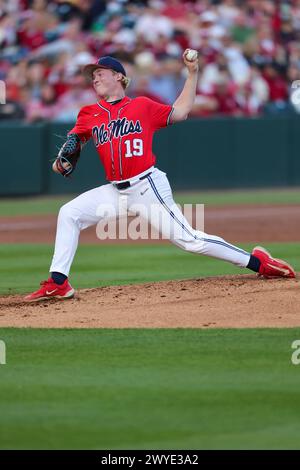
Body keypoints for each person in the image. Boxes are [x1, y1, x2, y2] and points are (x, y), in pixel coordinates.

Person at [25, 53, 295, 301]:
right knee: (69, 213)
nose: (95, 77)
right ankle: (59, 282)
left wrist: (192, 74)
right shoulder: (88, 114)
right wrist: (61, 162)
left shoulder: (142, 106)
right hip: (115, 191)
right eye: (92, 74)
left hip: (146, 186)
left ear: (119, 76)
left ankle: (259, 263)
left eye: (101, 72)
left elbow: (181, 112)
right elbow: (68, 152)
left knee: (189, 240)